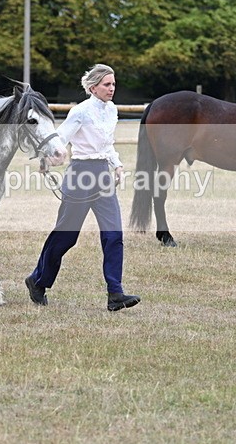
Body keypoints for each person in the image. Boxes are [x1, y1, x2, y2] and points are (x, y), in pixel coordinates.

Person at [25, 64, 141, 311]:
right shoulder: (80, 112)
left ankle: (115, 294)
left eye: (113, 83)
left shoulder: (112, 111)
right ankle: (37, 280)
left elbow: (107, 143)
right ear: (93, 88)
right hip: (80, 174)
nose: (112, 88)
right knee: (67, 237)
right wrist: (47, 160)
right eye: (107, 84)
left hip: (102, 176)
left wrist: (117, 165)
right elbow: (60, 140)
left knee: (114, 235)